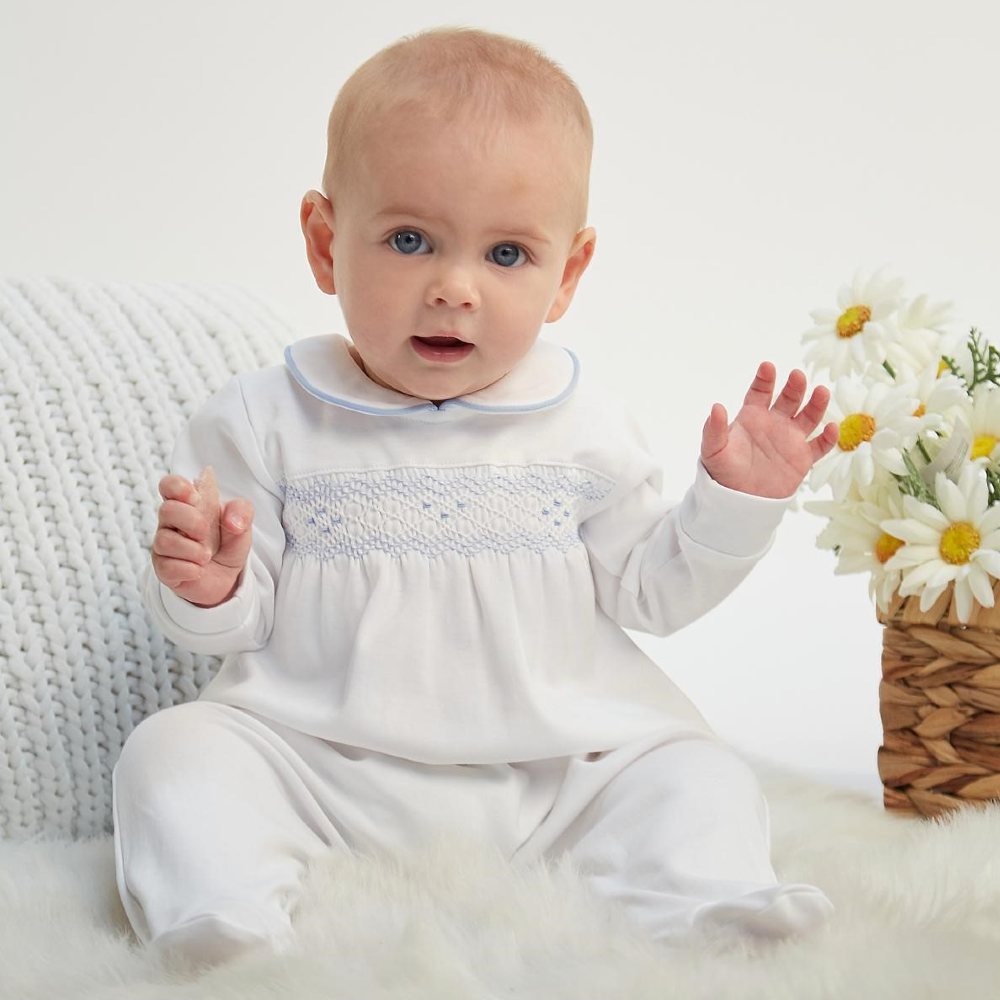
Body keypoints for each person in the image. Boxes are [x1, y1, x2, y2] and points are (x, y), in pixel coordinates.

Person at [112, 26, 839, 968]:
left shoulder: (583, 426)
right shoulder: (263, 420)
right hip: (321, 768)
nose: (454, 289)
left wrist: (736, 501)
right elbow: (234, 632)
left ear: (567, 274)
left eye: (506, 255)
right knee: (173, 751)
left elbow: (652, 595)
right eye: (410, 241)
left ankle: (706, 903)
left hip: (556, 776)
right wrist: (207, 585)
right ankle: (223, 914)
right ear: (326, 243)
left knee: (695, 771)